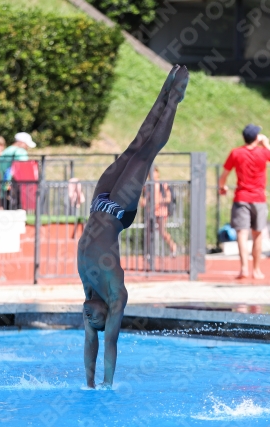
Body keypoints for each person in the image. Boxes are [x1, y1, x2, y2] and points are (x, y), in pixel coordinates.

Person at [78, 65, 189, 389]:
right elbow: (107, 344)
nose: (87, 317)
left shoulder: (89, 295)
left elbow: (90, 344)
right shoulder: (115, 295)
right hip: (117, 212)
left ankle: (165, 87)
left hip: (99, 202)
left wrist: (89, 384)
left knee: (133, 144)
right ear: (108, 316)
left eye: (88, 319)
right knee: (144, 154)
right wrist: (107, 384)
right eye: (93, 319)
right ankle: (175, 99)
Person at [219, 124, 270, 279]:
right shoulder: (263, 152)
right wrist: (267, 144)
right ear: (256, 137)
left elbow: (224, 175)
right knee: (257, 235)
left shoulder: (236, 153)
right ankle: (256, 270)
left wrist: (222, 187)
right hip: (259, 199)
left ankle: (243, 269)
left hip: (241, 198)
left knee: (242, 234)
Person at [141, 166, 177, 255]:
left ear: (158, 173)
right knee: (148, 232)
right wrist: (143, 202)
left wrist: (158, 201)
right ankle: (148, 252)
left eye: (154, 172)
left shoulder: (163, 185)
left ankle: (173, 247)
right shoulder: (147, 186)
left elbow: (168, 199)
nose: (152, 175)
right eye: (150, 173)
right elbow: (145, 199)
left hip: (161, 212)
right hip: (151, 212)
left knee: (162, 231)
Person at [0, 132, 36, 209]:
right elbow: (22, 169)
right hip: (16, 188)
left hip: (4, 188)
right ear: (21, 143)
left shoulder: (5, 152)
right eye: (26, 145)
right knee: (18, 214)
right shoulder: (20, 151)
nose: (27, 147)